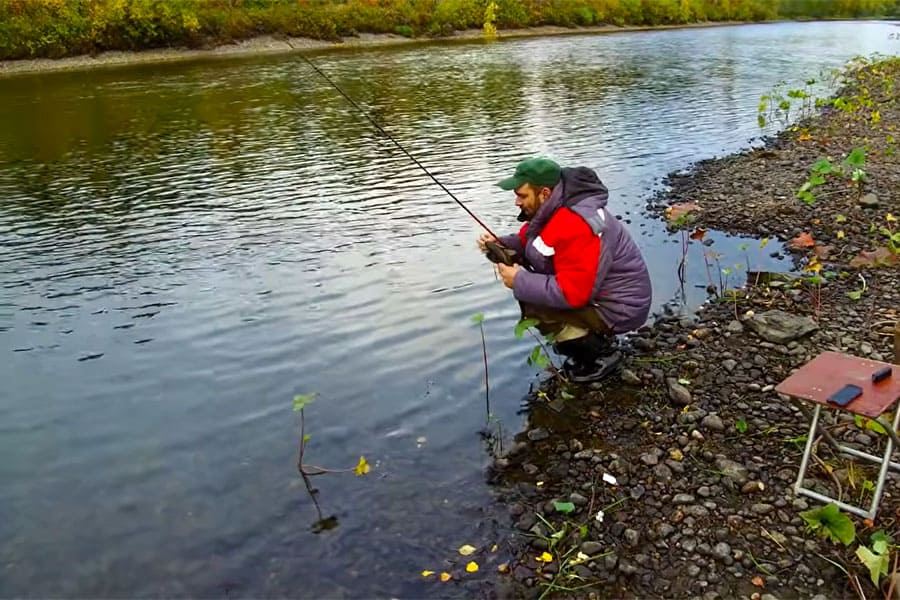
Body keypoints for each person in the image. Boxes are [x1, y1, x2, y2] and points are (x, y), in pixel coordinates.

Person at [478, 157, 652, 382]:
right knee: (535, 288)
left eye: (522, 196)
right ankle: (590, 340)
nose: (517, 203)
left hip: (621, 308)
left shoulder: (576, 223)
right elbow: (529, 243)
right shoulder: (552, 211)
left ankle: (600, 355)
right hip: (603, 296)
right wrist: (498, 243)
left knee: (536, 304)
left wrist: (519, 280)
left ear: (545, 193)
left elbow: (573, 293)